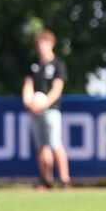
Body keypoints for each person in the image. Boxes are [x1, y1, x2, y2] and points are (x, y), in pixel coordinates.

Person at [22, 29, 71, 190]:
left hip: (51, 110)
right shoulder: (33, 64)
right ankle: (46, 180)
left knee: (55, 143)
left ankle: (65, 179)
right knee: (41, 146)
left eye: (43, 42)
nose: (40, 46)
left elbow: (57, 89)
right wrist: (29, 103)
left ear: (51, 44)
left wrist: (43, 104)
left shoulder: (58, 64)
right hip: (35, 110)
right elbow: (28, 86)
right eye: (38, 43)